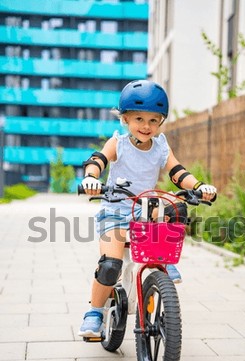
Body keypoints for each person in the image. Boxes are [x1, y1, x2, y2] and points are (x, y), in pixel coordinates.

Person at [78, 80, 216, 338]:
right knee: (110, 265)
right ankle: (94, 313)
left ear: (161, 122)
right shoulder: (118, 143)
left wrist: (199, 186)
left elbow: (177, 172)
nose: (146, 126)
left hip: (145, 210)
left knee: (175, 206)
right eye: (139, 118)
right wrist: (91, 178)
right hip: (116, 211)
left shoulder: (161, 146)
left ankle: (163, 261)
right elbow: (98, 160)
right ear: (125, 118)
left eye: (154, 120)